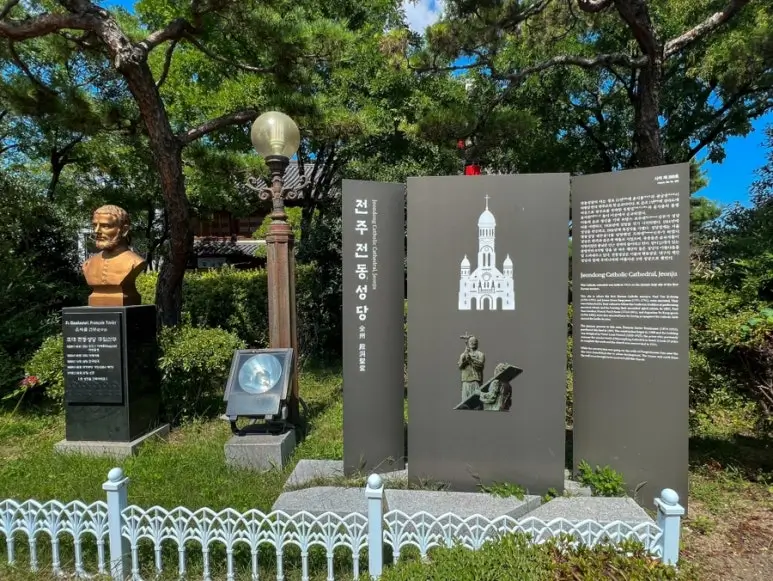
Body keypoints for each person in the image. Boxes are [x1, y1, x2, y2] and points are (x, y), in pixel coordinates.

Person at [82, 205, 146, 306]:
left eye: (105, 226)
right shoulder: (88, 264)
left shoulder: (135, 262)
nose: (96, 231)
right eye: (95, 225)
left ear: (124, 230)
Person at [458, 336, 485, 401]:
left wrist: (471, 359)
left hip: (476, 379)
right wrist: (465, 359)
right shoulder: (463, 354)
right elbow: (460, 366)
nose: (473, 343)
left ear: (477, 343)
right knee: (465, 400)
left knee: (476, 400)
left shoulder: (480, 354)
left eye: (474, 341)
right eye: (471, 341)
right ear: (468, 343)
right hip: (466, 380)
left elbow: (481, 365)